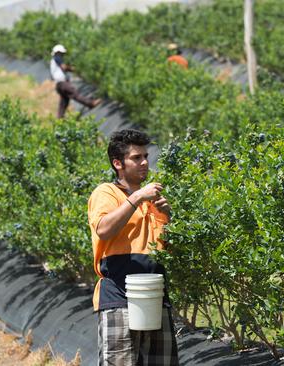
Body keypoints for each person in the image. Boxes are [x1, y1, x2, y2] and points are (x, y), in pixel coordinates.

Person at [87, 129, 179, 366]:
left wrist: (169, 216)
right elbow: (104, 229)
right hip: (119, 296)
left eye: (146, 156)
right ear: (118, 163)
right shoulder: (106, 193)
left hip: (155, 296)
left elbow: (169, 248)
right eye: (136, 158)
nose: (145, 162)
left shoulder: (153, 200)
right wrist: (136, 198)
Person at [49, 44, 101, 118]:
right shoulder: (57, 57)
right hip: (63, 83)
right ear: (58, 52)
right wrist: (73, 69)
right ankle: (91, 103)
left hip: (58, 84)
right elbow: (64, 67)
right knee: (75, 94)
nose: (63, 55)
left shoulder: (52, 62)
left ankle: (60, 118)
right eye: (62, 53)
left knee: (64, 101)